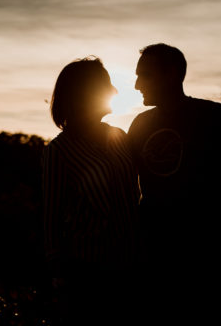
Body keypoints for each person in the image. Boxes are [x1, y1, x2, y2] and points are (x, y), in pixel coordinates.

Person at [128, 43, 221, 325]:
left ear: (172, 74)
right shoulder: (139, 125)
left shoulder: (213, 117)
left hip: (205, 257)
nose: (136, 84)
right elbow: (129, 190)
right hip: (154, 260)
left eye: (145, 75)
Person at [41, 57, 141, 326]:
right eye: (107, 85)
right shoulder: (59, 152)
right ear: (85, 93)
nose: (116, 92)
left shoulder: (120, 137)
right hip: (86, 275)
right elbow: (52, 219)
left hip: (130, 268)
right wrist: (59, 275)